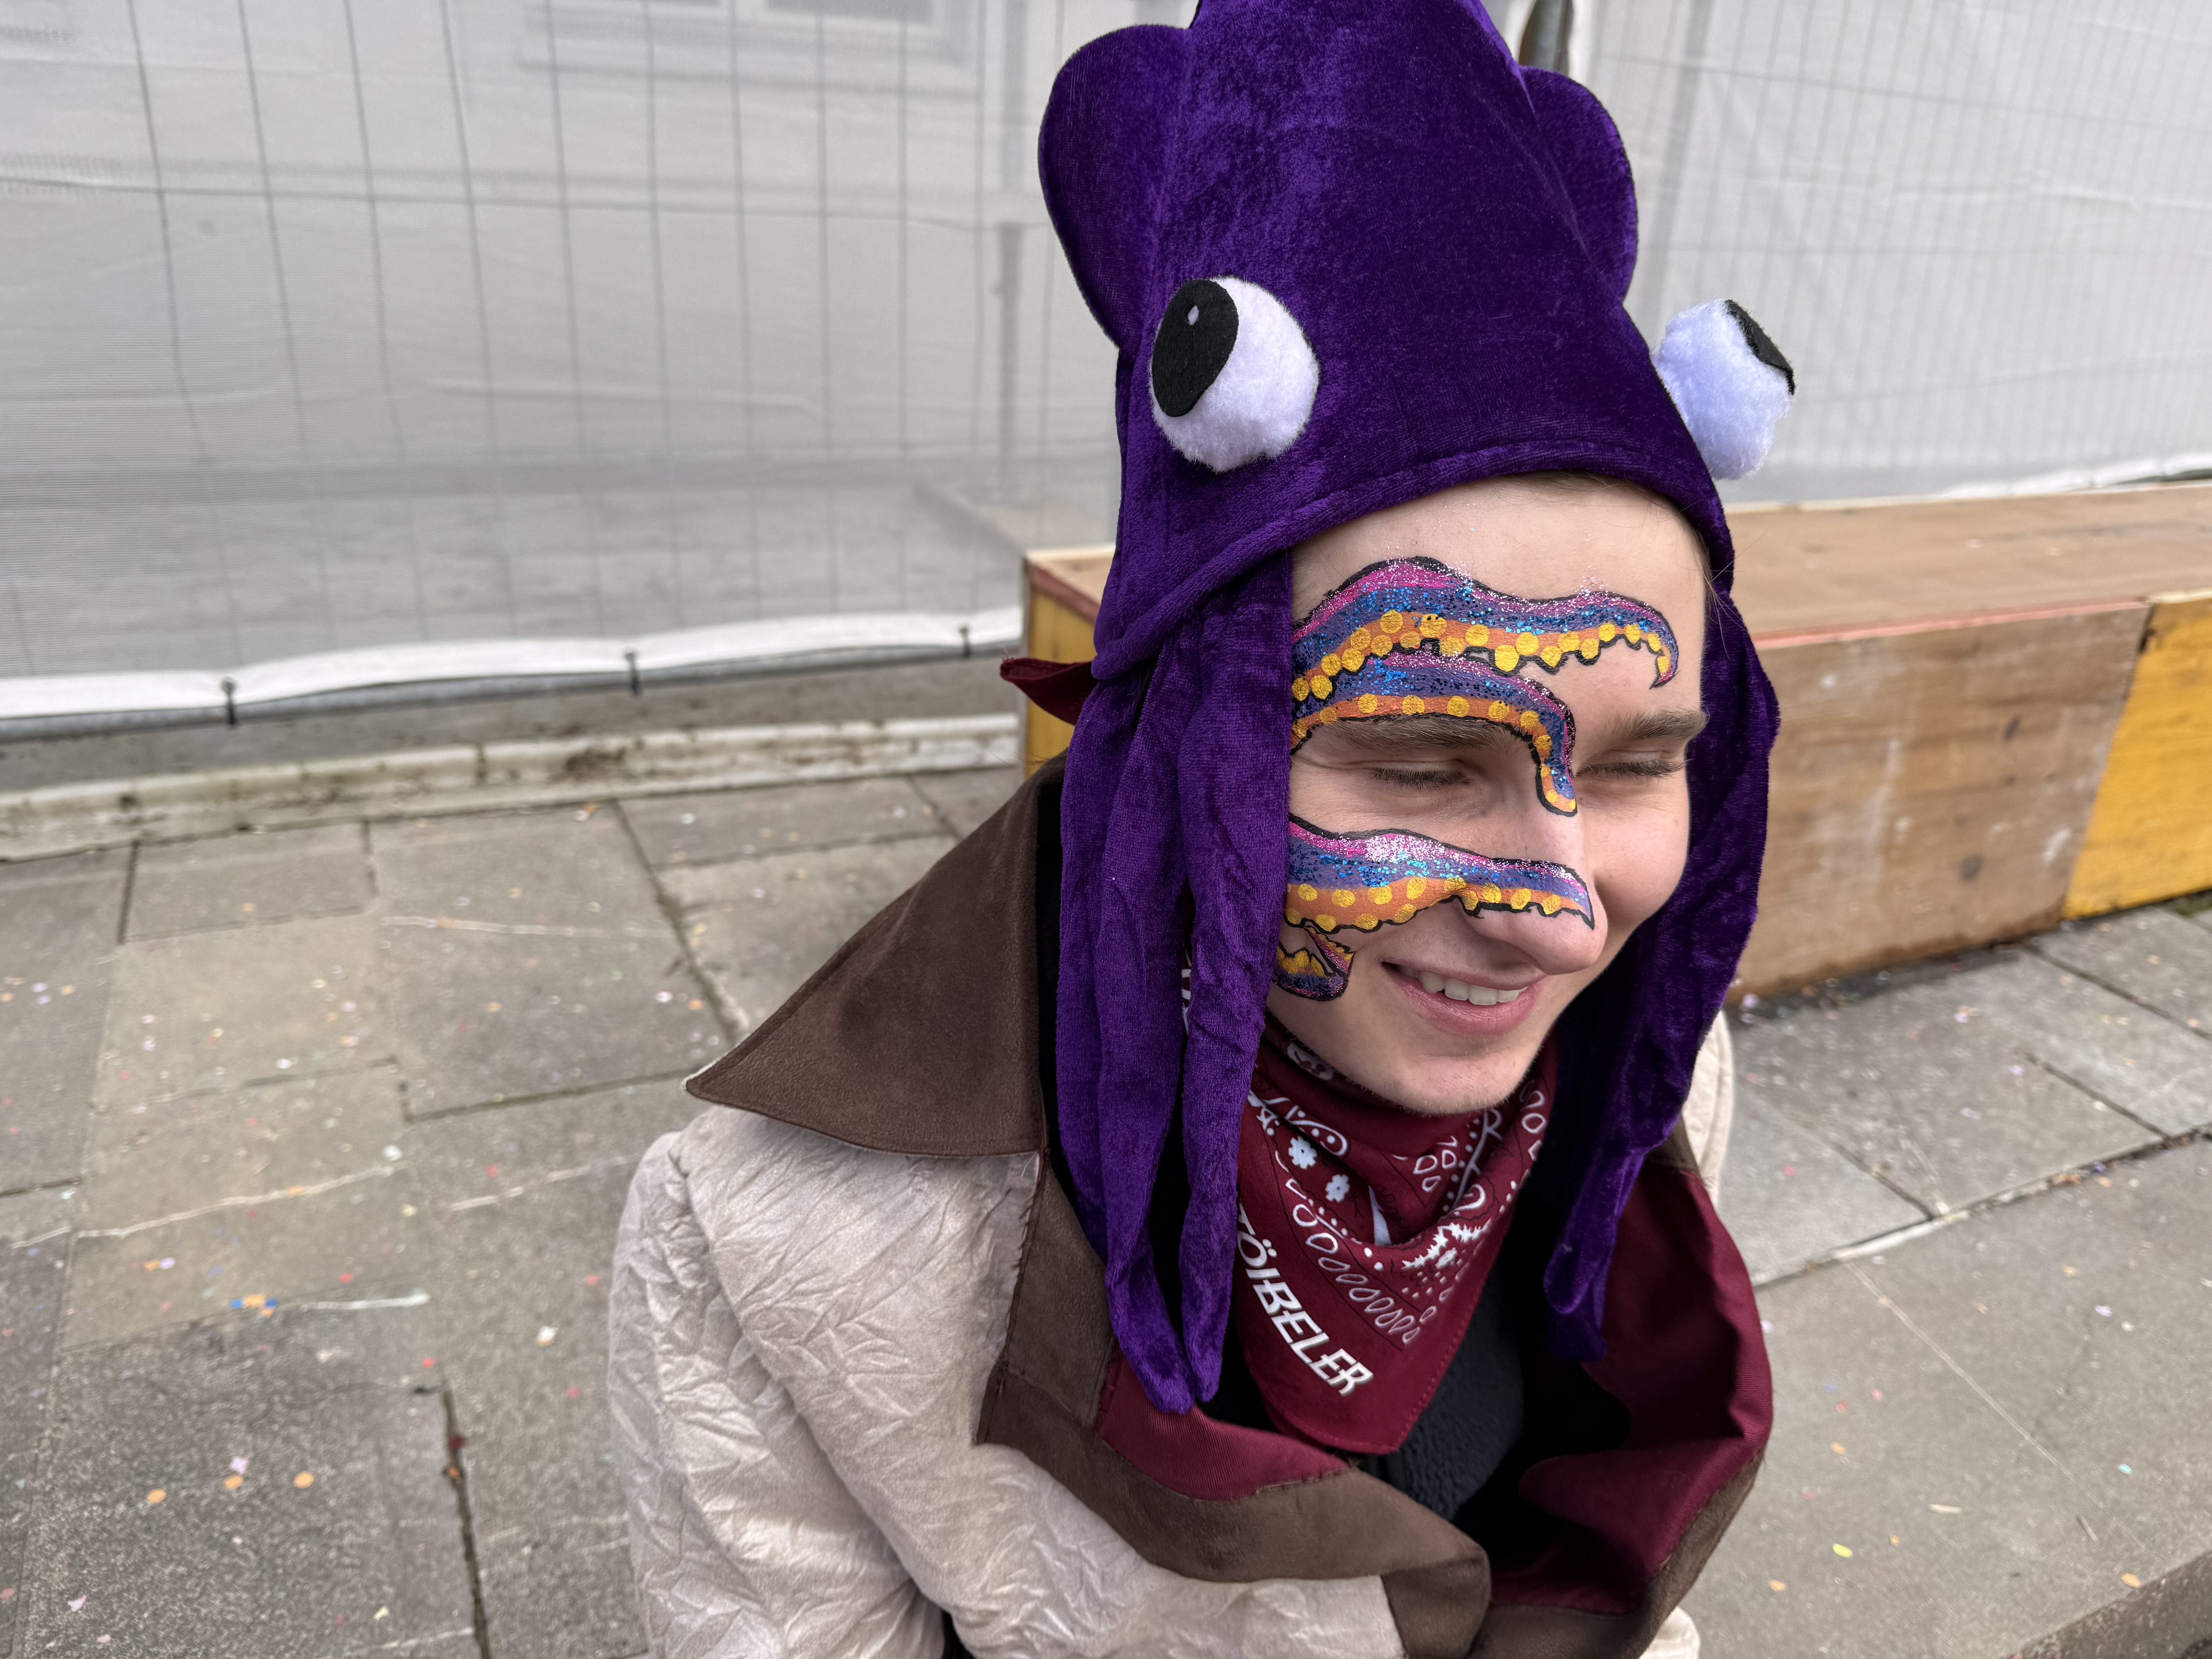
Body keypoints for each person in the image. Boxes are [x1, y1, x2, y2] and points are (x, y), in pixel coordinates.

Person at [609, 1, 1791, 1654]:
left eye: (1635, 765)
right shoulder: (784, 1245)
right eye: (1421, 762)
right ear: (1186, 735)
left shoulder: (1654, 1081)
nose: (1562, 912)